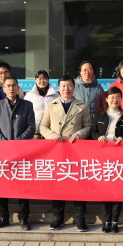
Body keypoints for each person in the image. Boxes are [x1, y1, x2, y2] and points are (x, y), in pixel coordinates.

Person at [40, 75, 93, 231]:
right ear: (58, 88)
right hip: (57, 151)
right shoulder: (51, 106)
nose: (66, 89)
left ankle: (80, 218)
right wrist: (51, 135)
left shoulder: (81, 106)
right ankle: (58, 218)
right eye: (63, 86)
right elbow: (43, 126)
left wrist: (80, 134)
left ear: (74, 87)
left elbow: (88, 126)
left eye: (69, 86)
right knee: (58, 184)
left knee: (78, 184)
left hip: (75, 152)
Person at [0, 76, 35, 230]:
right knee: (2, 185)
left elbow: (31, 127)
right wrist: (5, 144)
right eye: (8, 86)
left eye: (14, 85)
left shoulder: (27, 105)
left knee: (23, 186)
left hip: (22, 152)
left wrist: (17, 143)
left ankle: (23, 218)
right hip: (3, 153)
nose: (11, 88)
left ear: (18, 88)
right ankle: (3, 217)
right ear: (3, 89)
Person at [91, 86, 123, 233]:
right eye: (112, 97)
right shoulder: (99, 114)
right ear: (106, 99)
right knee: (105, 189)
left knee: (117, 189)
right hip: (103, 156)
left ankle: (115, 221)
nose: (114, 100)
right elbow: (93, 131)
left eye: (117, 97)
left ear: (121, 99)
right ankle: (106, 221)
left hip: (119, 157)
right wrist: (98, 137)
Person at [24, 70, 58, 138]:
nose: (42, 81)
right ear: (35, 80)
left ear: (48, 80)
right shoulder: (29, 95)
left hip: (51, 132)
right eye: (39, 79)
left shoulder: (56, 95)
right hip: (35, 131)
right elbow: (24, 113)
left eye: (45, 78)